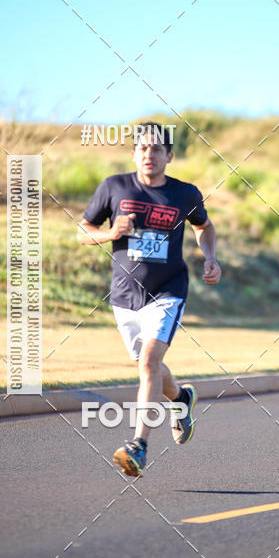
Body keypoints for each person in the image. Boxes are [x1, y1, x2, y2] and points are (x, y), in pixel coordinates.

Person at [78, 123, 221, 476]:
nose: (149, 154)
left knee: (148, 363)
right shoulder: (115, 187)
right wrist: (111, 233)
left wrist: (211, 257)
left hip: (168, 290)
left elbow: (204, 227)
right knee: (150, 367)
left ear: (169, 156)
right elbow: (83, 230)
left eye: (157, 149)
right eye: (142, 148)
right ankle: (181, 399)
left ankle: (138, 445)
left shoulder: (185, 194)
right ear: (133, 153)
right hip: (124, 296)